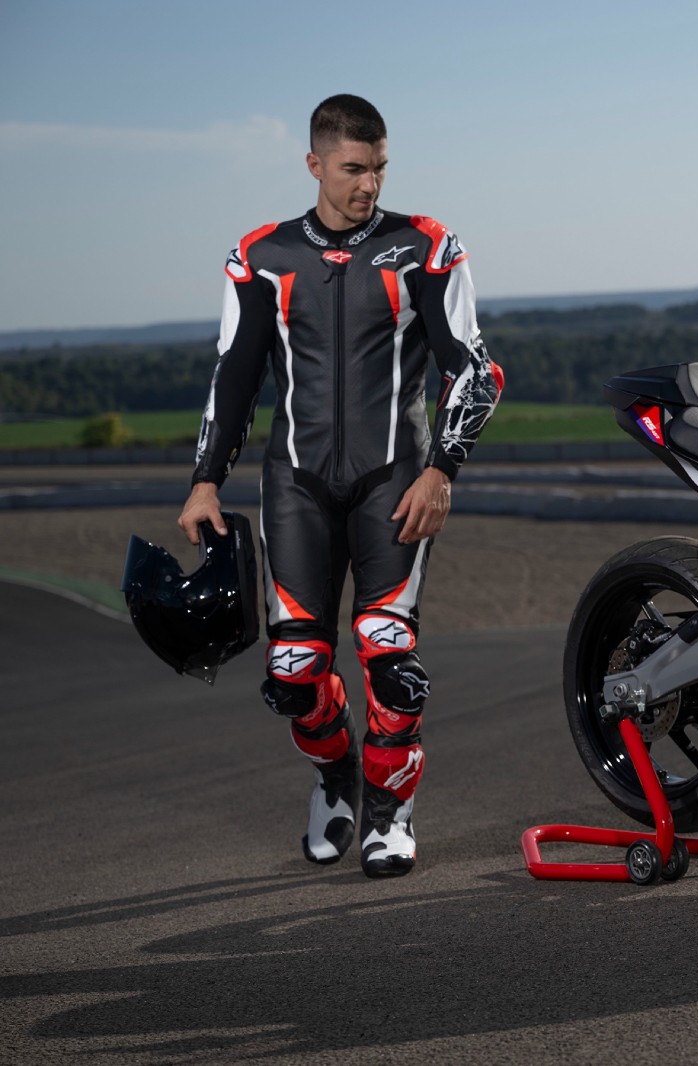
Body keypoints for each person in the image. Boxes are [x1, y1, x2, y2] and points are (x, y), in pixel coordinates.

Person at [177, 94, 502, 877]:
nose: (370, 184)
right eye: (354, 168)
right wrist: (204, 482)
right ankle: (336, 778)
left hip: (399, 478)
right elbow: (235, 376)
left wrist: (442, 471)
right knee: (294, 671)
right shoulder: (261, 255)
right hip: (296, 483)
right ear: (315, 164)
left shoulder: (425, 246)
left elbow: (475, 371)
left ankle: (390, 812)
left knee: (389, 654)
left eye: (380, 167)